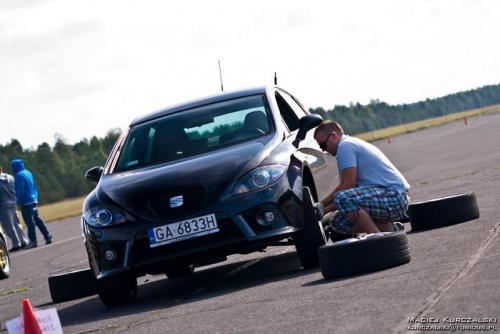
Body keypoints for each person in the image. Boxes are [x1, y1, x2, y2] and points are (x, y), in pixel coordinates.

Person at [314, 120, 410, 235]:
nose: (323, 150)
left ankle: (377, 238)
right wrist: (322, 212)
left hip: (395, 197)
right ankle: (390, 229)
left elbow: (347, 187)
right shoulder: (347, 146)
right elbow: (348, 197)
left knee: (343, 198)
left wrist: (321, 204)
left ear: (333, 136)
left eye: (323, 145)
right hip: (389, 197)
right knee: (337, 223)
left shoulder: (345, 146)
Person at [10, 159, 52, 249]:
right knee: (37, 219)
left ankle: (33, 241)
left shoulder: (18, 176)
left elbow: (20, 190)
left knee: (30, 222)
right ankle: (48, 236)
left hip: (26, 202)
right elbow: (34, 186)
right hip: (33, 199)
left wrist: (20, 202)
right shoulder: (28, 173)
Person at [0, 165, 28, 251]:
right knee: (16, 223)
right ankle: (23, 241)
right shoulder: (10, 177)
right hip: (13, 202)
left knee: (8, 226)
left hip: (3, 205)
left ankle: (16, 244)